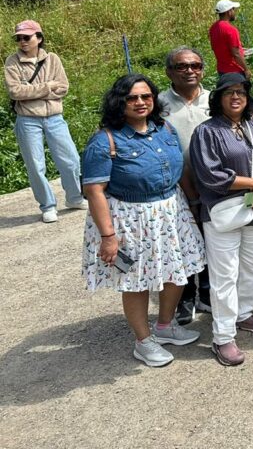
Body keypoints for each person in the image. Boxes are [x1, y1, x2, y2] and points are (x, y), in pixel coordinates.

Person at [80, 74, 205, 367]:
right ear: (119, 102)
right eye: (132, 98)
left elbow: (181, 171)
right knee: (135, 281)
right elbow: (94, 190)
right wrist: (108, 236)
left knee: (178, 270)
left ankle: (164, 325)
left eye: (146, 96)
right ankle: (143, 341)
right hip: (129, 218)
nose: (140, 102)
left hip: (171, 210)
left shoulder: (165, 129)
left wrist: (194, 203)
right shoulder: (105, 140)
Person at [189, 74, 253, 366]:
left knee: (252, 265)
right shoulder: (207, 132)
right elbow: (210, 175)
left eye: (240, 92)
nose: (235, 97)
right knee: (224, 275)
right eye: (228, 93)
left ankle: (245, 313)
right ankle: (223, 336)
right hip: (223, 211)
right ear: (218, 98)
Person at [5, 19, 84, 222]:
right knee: (35, 165)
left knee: (71, 160)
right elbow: (15, 92)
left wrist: (32, 91)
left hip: (55, 117)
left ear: (38, 38)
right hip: (28, 120)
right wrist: (49, 86)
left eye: (27, 37)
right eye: (19, 38)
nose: (22, 41)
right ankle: (47, 206)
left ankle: (74, 197)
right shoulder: (12, 62)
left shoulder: (52, 59)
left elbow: (64, 87)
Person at [158, 47, 212, 325]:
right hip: (174, 189)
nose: (190, 70)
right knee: (180, 246)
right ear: (169, 72)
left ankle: (206, 293)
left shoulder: (213, 99)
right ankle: (185, 298)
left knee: (208, 240)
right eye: (182, 66)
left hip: (211, 185)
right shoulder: (158, 104)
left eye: (195, 65)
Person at [209, 0, 250, 78]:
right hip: (235, 71)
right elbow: (236, 54)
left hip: (221, 70)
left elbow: (218, 47)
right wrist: (246, 69)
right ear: (229, 12)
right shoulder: (231, 29)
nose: (234, 12)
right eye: (233, 9)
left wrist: (241, 49)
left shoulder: (213, 28)